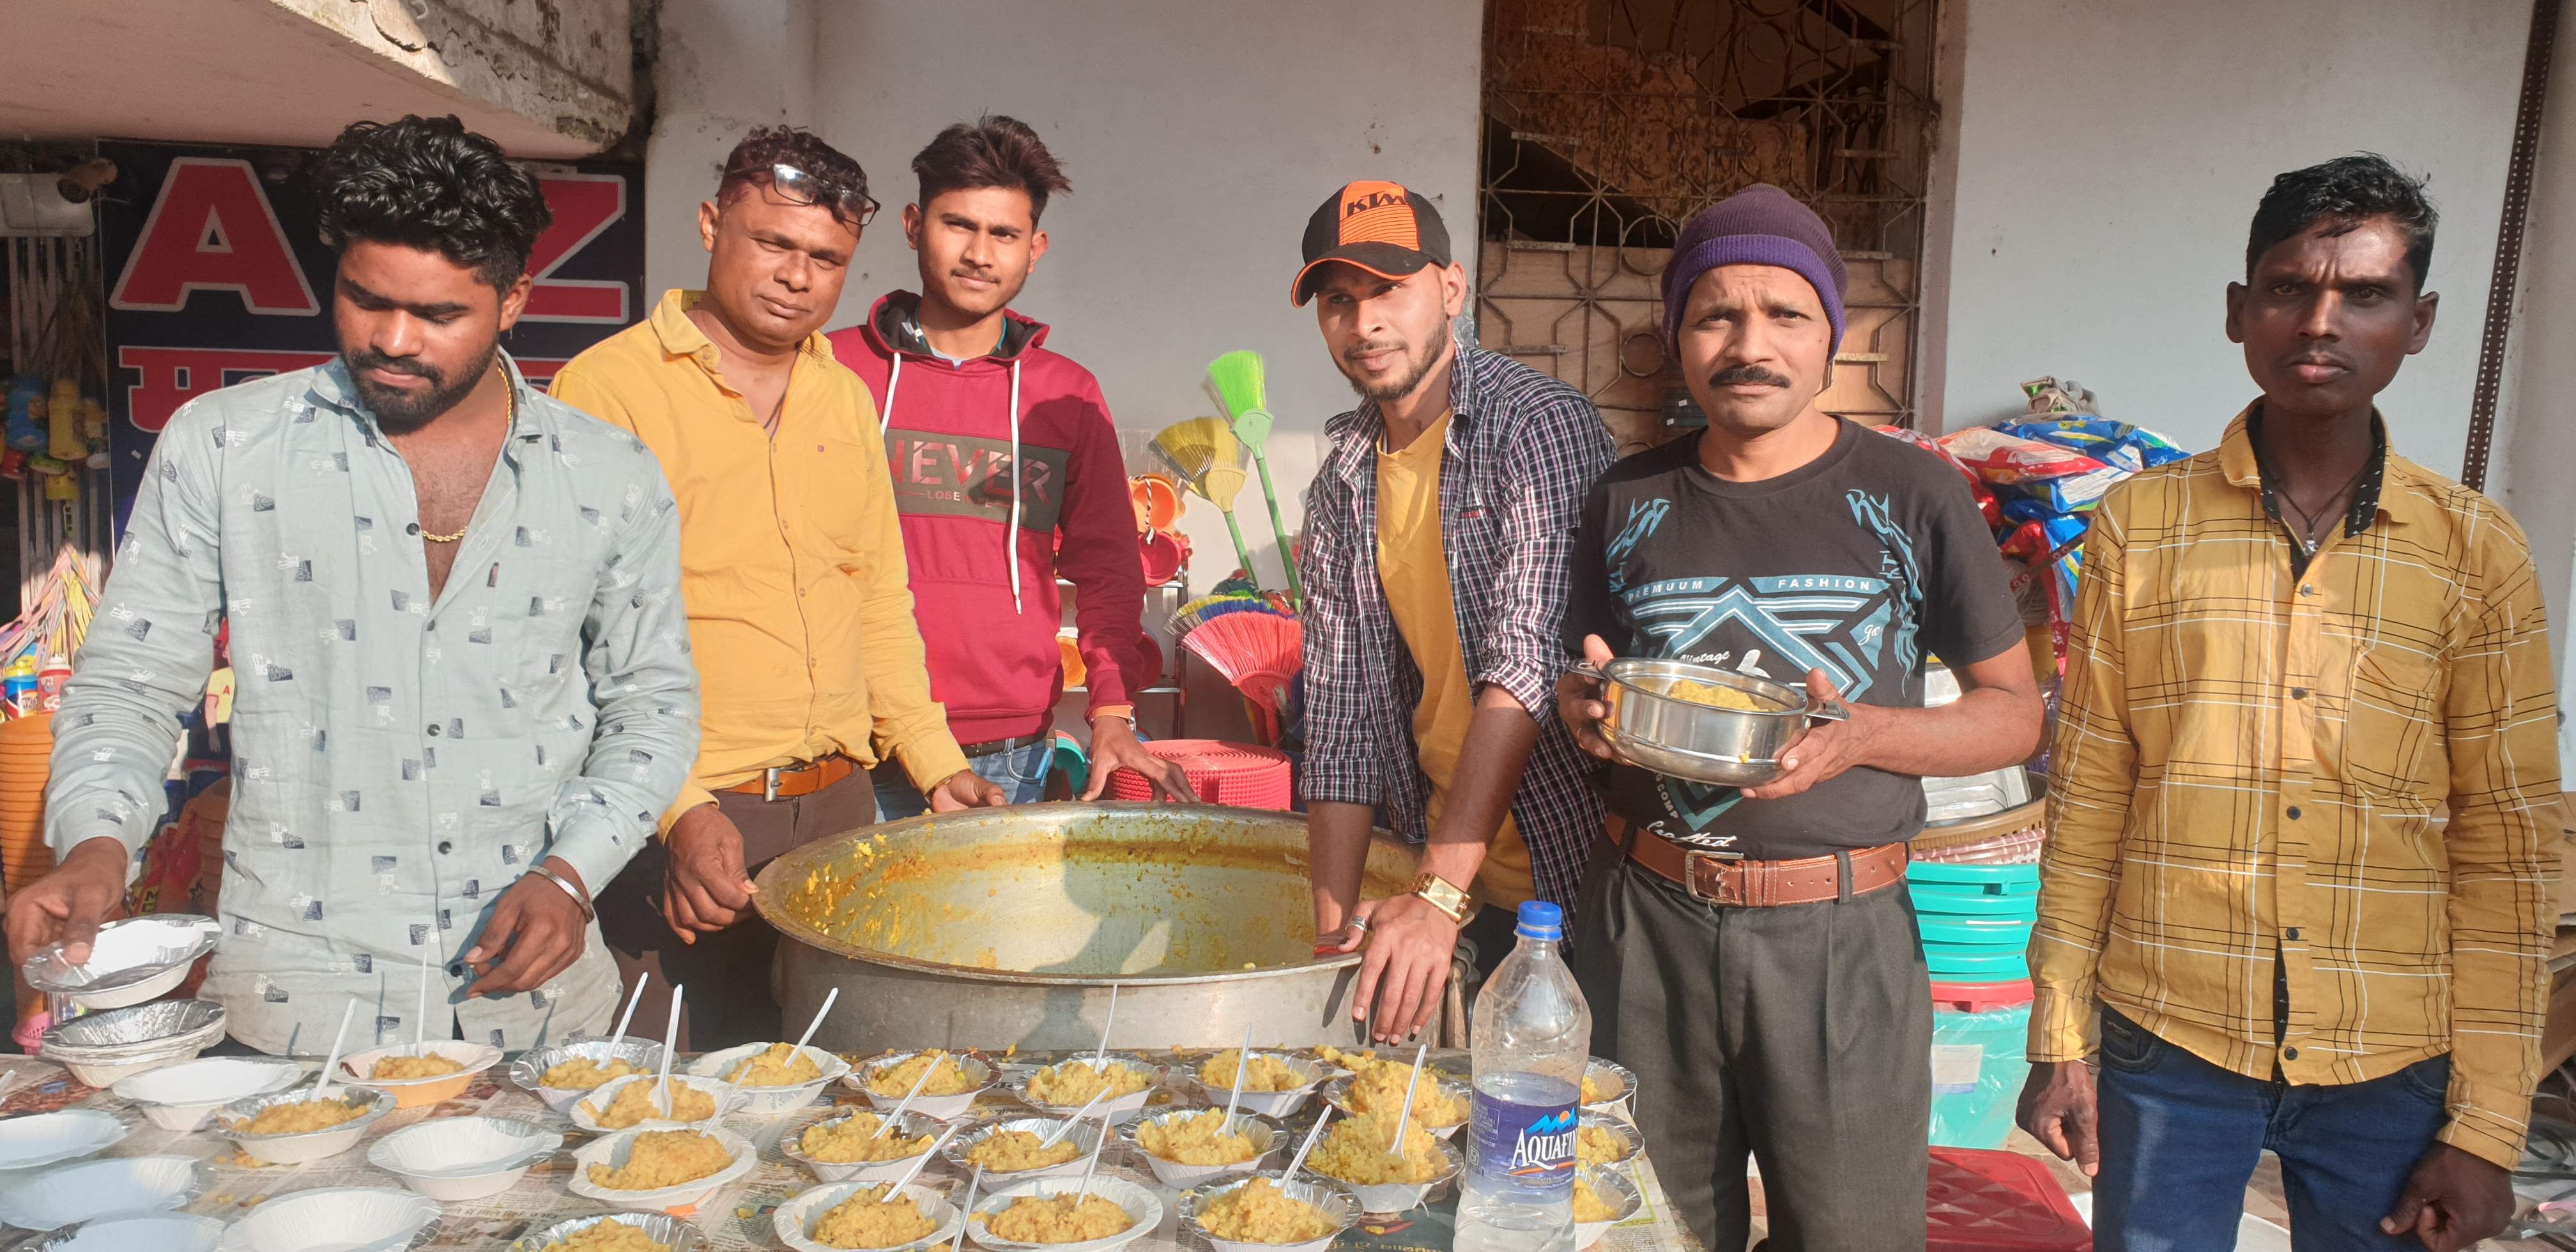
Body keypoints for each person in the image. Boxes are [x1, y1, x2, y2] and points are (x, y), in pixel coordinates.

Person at [3, 115, 698, 1055]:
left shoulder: (609, 474)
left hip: (538, 1011)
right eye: (364, 299)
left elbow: (652, 706)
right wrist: (94, 846)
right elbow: (131, 682)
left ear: (515, 300)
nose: (394, 339)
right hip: (296, 1003)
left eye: (440, 315)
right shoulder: (224, 445)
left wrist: (573, 875)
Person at [2017, 155, 2561, 1252]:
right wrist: (2059, 1033)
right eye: (2287, 287)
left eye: (2364, 294)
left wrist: (2490, 1128)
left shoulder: (2474, 553)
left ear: (2417, 322)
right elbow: (2087, 801)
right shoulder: (2140, 528)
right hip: (2166, 1043)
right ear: (2238, 310)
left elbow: (2509, 850)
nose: (2321, 320)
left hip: (2389, 1060)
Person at [1556, 184, 2043, 1251]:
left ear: (1835, 337)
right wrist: (1585, 707)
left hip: (1841, 938)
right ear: (1679, 338)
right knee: (1636, 1228)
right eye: (1715, 314)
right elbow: (1582, 672)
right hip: (1644, 925)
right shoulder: (1624, 496)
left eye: (1784, 314)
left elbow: (2013, 717)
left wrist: (1867, 736)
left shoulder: (1917, 494)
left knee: (1851, 1236)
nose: (1749, 343)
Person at [550, 126, 1002, 1051]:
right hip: (681, 825)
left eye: (827, 258)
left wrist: (936, 762)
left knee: (833, 1090)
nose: (799, 276)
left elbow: (876, 597)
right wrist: (676, 812)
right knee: (672, 1105)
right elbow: (574, 640)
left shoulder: (840, 397)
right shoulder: (608, 390)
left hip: (838, 815)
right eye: (775, 244)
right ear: (714, 225)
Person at [1295, 180, 1614, 1045]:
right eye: (1338, 301)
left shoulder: (1535, 427)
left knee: (1554, 1147)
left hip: (1570, 879)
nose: (1365, 324)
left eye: (1389, 289)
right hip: (1439, 888)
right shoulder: (1341, 483)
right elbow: (1341, 719)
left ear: (1452, 287)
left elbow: (1527, 666)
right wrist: (1332, 939)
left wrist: (1437, 892)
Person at [825, 116, 1190, 813]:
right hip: (853, 743)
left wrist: (1112, 708)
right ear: (911, 225)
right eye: (958, 225)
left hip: (1010, 751)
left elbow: (1110, 566)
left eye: (1004, 234)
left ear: (1036, 248)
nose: (979, 254)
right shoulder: (835, 371)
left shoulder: (1067, 395)